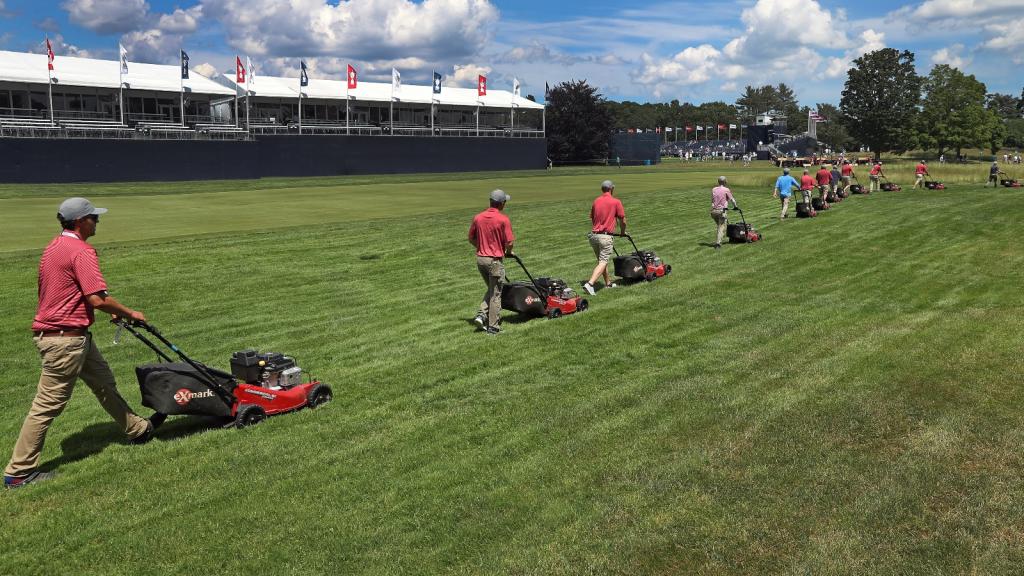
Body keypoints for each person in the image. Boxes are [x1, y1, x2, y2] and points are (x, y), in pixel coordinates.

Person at [4, 198, 158, 489]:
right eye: (93, 218)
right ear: (79, 222)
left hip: (72, 337)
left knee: (104, 383)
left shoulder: (53, 247)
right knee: (46, 406)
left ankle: (137, 429)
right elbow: (96, 298)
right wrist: (130, 313)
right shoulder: (82, 251)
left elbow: (69, 292)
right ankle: (18, 472)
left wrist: (105, 311)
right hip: (65, 342)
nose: (97, 222)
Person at [469, 189, 514, 335]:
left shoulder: (478, 217)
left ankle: (482, 315)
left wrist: (481, 247)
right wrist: (508, 252)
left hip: (480, 260)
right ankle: (493, 327)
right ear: (501, 204)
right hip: (494, 261)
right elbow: (510, 242)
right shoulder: (503, 219)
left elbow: (471, 238)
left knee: (491, 288)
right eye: (504, 202)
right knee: (496, 293)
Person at [582, 180, 626, 295]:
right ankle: (590, 284)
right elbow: (623, 220)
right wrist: (622, 232)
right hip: (605, 237)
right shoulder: (616, 201)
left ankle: (608, 283)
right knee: (603, 262)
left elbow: (592, 218)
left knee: (602, 261)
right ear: (612, 189)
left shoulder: (596, 201)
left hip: (593, 236)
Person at [710, 176, 739, 249]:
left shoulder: (714, 189)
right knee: (721, 227)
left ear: (718, 182)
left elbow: (712, 201)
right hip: (721, 211)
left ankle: (727, 237)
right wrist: (735, 206)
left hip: (713, 211)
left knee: (721, 225)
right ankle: (718, 243)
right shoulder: (726, 189)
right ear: (725, 182)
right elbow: (732, 200)